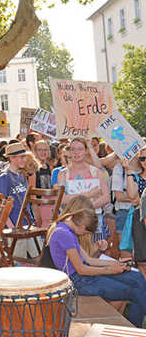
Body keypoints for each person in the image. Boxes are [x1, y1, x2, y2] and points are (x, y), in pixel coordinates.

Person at [47, 195, 146, 328]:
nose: (85, 234)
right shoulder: (64, 233)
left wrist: (116, 264)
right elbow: (81, 269)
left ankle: (132, 328)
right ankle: (134, 330)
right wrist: (109, 270)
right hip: (78, 282)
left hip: (84, 277)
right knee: (135, 291)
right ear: (82, 226)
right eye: (86, 232)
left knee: (137, 279)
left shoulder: (66, 229)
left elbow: (88, 260)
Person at [57, 137, 110, 253]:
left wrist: (85, 207)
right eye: (73, 149)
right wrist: (87, 195)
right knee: (75, 256)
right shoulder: (63, 174)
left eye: (80, 149)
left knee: (97, 253)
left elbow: (106, 197)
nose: (76, 153)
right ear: (69, 152)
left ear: (86, 151)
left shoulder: (96, 172)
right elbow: (61, 199)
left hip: (94, 220)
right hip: (72, 223)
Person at [123, 146, 146, 278]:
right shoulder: (135, 176)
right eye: (142, 158)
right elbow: (133, 198)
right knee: (141, 260)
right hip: (138, 219)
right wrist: (128, 170)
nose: (145, 161)